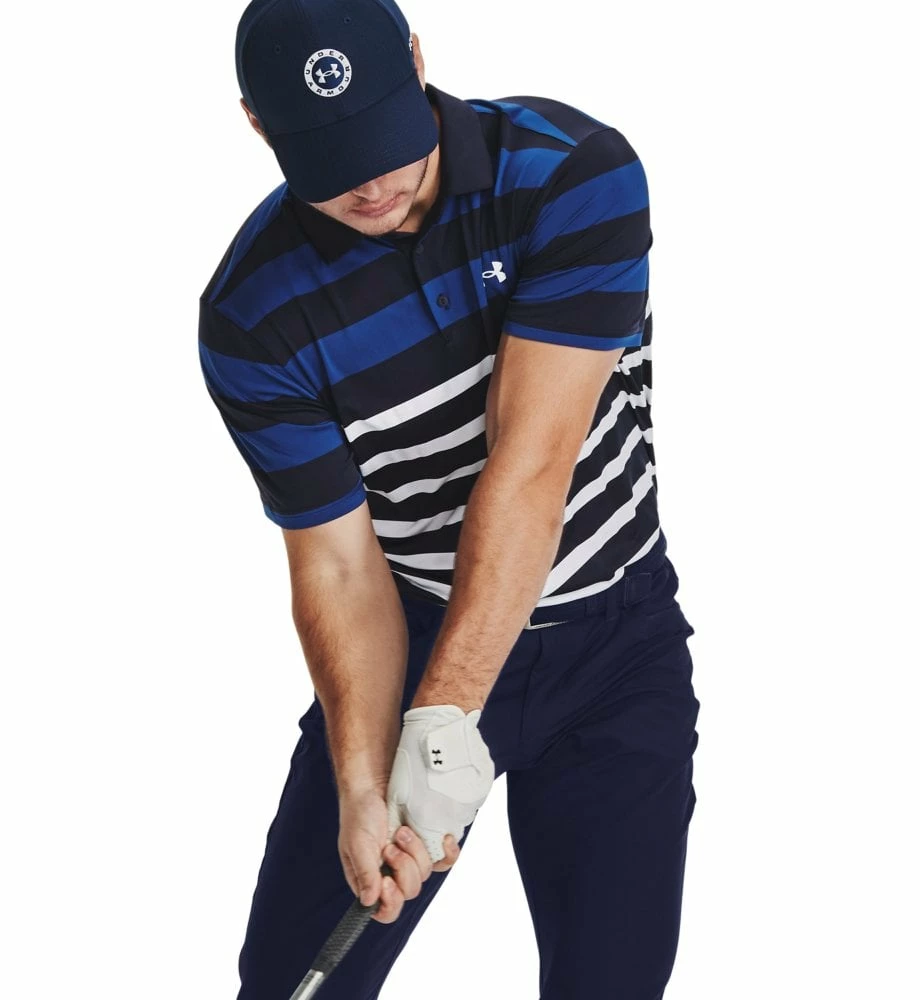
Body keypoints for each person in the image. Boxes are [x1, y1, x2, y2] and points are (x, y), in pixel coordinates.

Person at [198, 0, 701, 996]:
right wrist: (362, 779)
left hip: (615, 641)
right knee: (294, 982)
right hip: (414, 630)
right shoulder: (252, 315)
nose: (373, 182)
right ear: (257, 124)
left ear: (418, 59)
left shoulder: (572, 174)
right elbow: (340, 565)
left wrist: (440, 726)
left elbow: (530, 470)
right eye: (334, 160)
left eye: (384, 135)